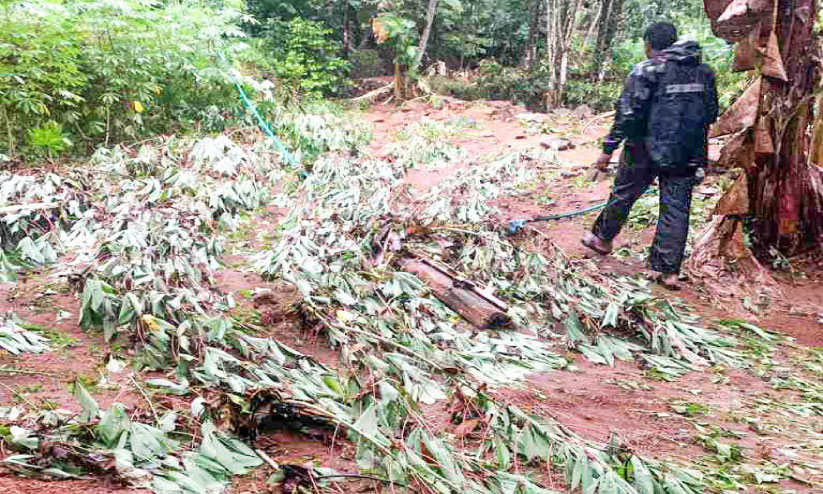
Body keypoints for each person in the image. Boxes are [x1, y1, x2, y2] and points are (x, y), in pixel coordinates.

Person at [581, 21, 718, 290]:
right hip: (687, 151)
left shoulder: (647, 69)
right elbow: (711, 113)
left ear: (649, 45)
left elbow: (627, 115)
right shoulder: (704, 72)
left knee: (624, 193)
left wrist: (607, 151)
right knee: (676, 208)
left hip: (645, 148)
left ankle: (602, 239)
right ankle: (666, 271)